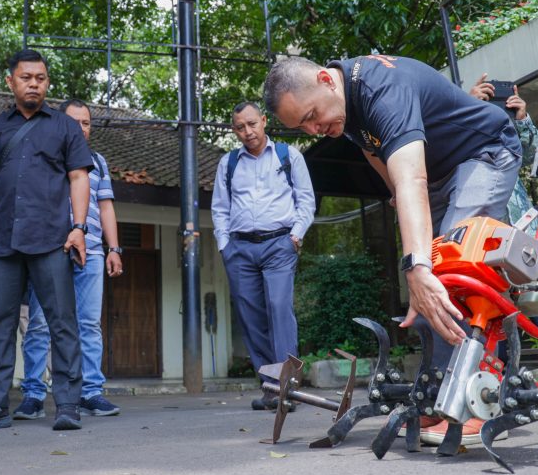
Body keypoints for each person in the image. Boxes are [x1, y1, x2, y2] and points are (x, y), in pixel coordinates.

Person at [264, 55, 522, 445]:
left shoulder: (381, 89)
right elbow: (374, 149)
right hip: (440, 176)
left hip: (484, 153)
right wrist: (395, 192)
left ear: (324, 79)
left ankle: (480, 400)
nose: (315, 128)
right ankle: (438, 396)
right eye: (304, 126)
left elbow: (412, 180)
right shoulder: (346, 108)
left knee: (453, 269)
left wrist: (416, 265)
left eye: (313, 115)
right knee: (427, 295)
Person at [0, 49, 91, 433]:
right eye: (26, 77)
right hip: (1, 240)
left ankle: (67, 404)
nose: (34, 83)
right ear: (10, 82)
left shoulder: (65, 127)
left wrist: (78, 227)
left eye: (41, 78)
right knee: (1, 324)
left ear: (47, 82)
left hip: (52, 239)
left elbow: (79, 177)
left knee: (62, 323)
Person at [14, 99, 123, 420]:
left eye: (86, 123)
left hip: (89, 253)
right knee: (39, 325)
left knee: (88, 325)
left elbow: (106, 208)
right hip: (49, 253)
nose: (80, 128)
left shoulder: (98, 162)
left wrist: (114, 248)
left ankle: (91, 392)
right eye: (73, 121)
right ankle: (33, 394)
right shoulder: (43, 156)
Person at [468, 73, 538, 380]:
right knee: (488, 313)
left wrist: (523, 118)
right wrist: (469, 104)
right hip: (481, 236)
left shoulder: (505, 128)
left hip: (520, 229)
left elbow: (534, 160)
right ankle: (491, 389)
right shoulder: (461, 123)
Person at [210, 101, 315, 410]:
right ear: (235, 130)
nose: (248, 131)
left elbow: (306, 201)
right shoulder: (228, 163)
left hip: (279, 245)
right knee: (251, 317)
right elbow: (219, 208)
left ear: (264, 121)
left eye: (252, 124)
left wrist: (296, 235)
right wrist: (224, 246)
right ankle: (270, 387)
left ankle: (288, 387)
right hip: (240, 249)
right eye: (241, 127)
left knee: (279, 308)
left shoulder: (288, 155)